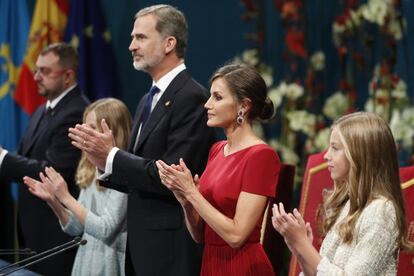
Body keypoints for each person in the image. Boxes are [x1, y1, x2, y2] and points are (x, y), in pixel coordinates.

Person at [67, 4, 215, 275]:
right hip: (141, 247)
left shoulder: (191, 97)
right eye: (133, 37)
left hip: (170, 249)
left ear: (170, 43)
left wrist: (112, 156)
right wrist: (104, 163)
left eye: (141, 37)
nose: (131, 46)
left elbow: (171, 175)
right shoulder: (148, 99)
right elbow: (139, 173)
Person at [156, 63, 280, 275]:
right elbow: (200, 235)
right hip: (211, 263)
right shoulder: (217, 149)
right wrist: (185, 201)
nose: (207, 104)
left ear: (244, 106)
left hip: (242, 267)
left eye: (217, 97)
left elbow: (236, 236)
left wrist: (192, 193)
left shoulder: (262, 156)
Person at [272, 112, 413, 275]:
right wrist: (298, 246)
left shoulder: (381, 211)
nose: (326, 156)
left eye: (335, 148)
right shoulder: (349, 204)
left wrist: (302, 244)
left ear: (360, 155)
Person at [0, 42, 89, 275]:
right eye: (36, 70)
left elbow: (52, 171)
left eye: (45, 71)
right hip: (34, 234)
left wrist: (2, 158)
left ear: (68, 76)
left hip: (57, 236)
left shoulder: (77, 112)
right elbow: (23, 158)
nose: (36, 77)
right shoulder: (42, 110)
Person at [23, 98, 131, 276]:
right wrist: (54, 201)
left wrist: (66, 197)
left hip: (109, 265)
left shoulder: (123, 174)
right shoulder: (90, 169)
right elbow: (76, 228)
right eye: (83, 128)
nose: (84, 135)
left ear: (112, 131)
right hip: (86, 263)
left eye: (91, 129)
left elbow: (105, 230)